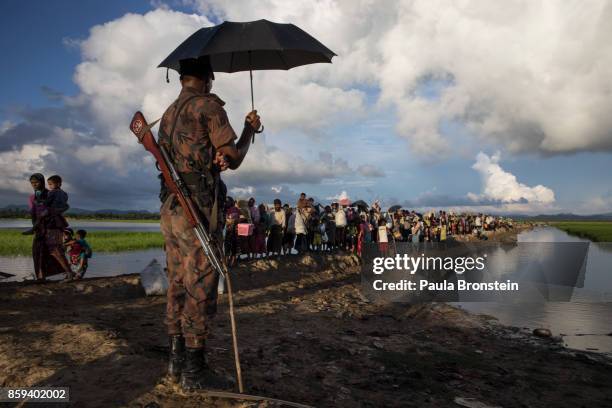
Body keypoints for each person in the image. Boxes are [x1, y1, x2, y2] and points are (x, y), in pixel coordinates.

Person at [157, 56, 261, 391]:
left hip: (170, 208)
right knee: (200, 283)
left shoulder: (168, 114)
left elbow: (186, 158)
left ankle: (175, 362)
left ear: (182, 78)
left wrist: (211, 159)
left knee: (176, 280)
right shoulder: (209, 107)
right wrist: (248, 129)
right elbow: (233, 158)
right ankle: (194, 372)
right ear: (208, 79)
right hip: (197, 209)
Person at [27, 173, 72, 280]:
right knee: (38, 250)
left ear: (42, 182)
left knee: (55, 250)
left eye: (36, 182)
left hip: (52, 225)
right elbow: (34, 212)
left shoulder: (51, 193)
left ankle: (69, 272)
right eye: (32, 183)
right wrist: (35, 225)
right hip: (40, 226)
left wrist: (61, 227)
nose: (34, 184)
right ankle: (41, 277)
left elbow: (62, 208)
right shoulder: (32, 197)